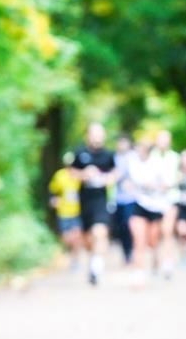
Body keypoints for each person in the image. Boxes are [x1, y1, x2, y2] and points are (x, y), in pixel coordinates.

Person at [70, 122, 117, 286]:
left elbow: (115, 173)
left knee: (100, 232)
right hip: (84, 202)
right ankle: (93, 262)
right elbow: (71, 172)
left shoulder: (109, 155)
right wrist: (84, 174)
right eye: (94, 133)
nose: (97, 136)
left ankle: (97, 268)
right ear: (88, 135)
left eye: (100, 133)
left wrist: (106, 179)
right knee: (88, 241)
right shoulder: (79, 153)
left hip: (101, 201)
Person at [126, 138, 170, 287]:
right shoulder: (132, 163)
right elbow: (129, 181)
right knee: (139, 240)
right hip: (139, 205)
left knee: (152, 241)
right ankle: (139, 274)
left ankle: (157, 259)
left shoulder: (158, 164)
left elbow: (166, 184)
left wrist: (155, 186)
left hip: (156, 206)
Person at [48, 152, 83, 272]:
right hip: (63, 212)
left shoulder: (79, 176)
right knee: (67, 238)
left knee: (77, 237)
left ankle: (75, 261)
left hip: (77, 211)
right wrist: (53, 200)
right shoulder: (60, 176)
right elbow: (53, 190)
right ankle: (70, 254)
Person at [153, 130, 181, 279]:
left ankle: (168, 262)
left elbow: (179, 177)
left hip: (170, 199)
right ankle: (156, 259)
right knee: (155, 233)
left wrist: (169, 184)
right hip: (153, 201)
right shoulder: (151, 158)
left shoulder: (175, 158)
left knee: (167, 230)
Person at [112, 135, 136, 265]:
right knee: (120, 227)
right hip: (117, 199)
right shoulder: (114, 158)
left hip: (131, 199)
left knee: (129, 225)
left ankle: (132, 250)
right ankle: (126, 253)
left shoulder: (133, 157)